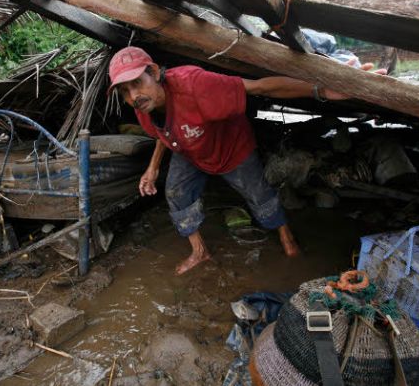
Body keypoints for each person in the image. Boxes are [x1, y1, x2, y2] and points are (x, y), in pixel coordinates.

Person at [107, 46, 385, 275]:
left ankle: (287, 238)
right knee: (176, 193)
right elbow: (163, 131)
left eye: (137, 83)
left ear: (154, 73)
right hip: (189, 151)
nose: (133, 96)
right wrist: (152, 168)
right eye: (124, 91)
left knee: (260, 195)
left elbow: (259, 87)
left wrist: (320, 91)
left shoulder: (195, 85)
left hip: (232, 149)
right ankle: (199, 251)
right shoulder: (143, 107)